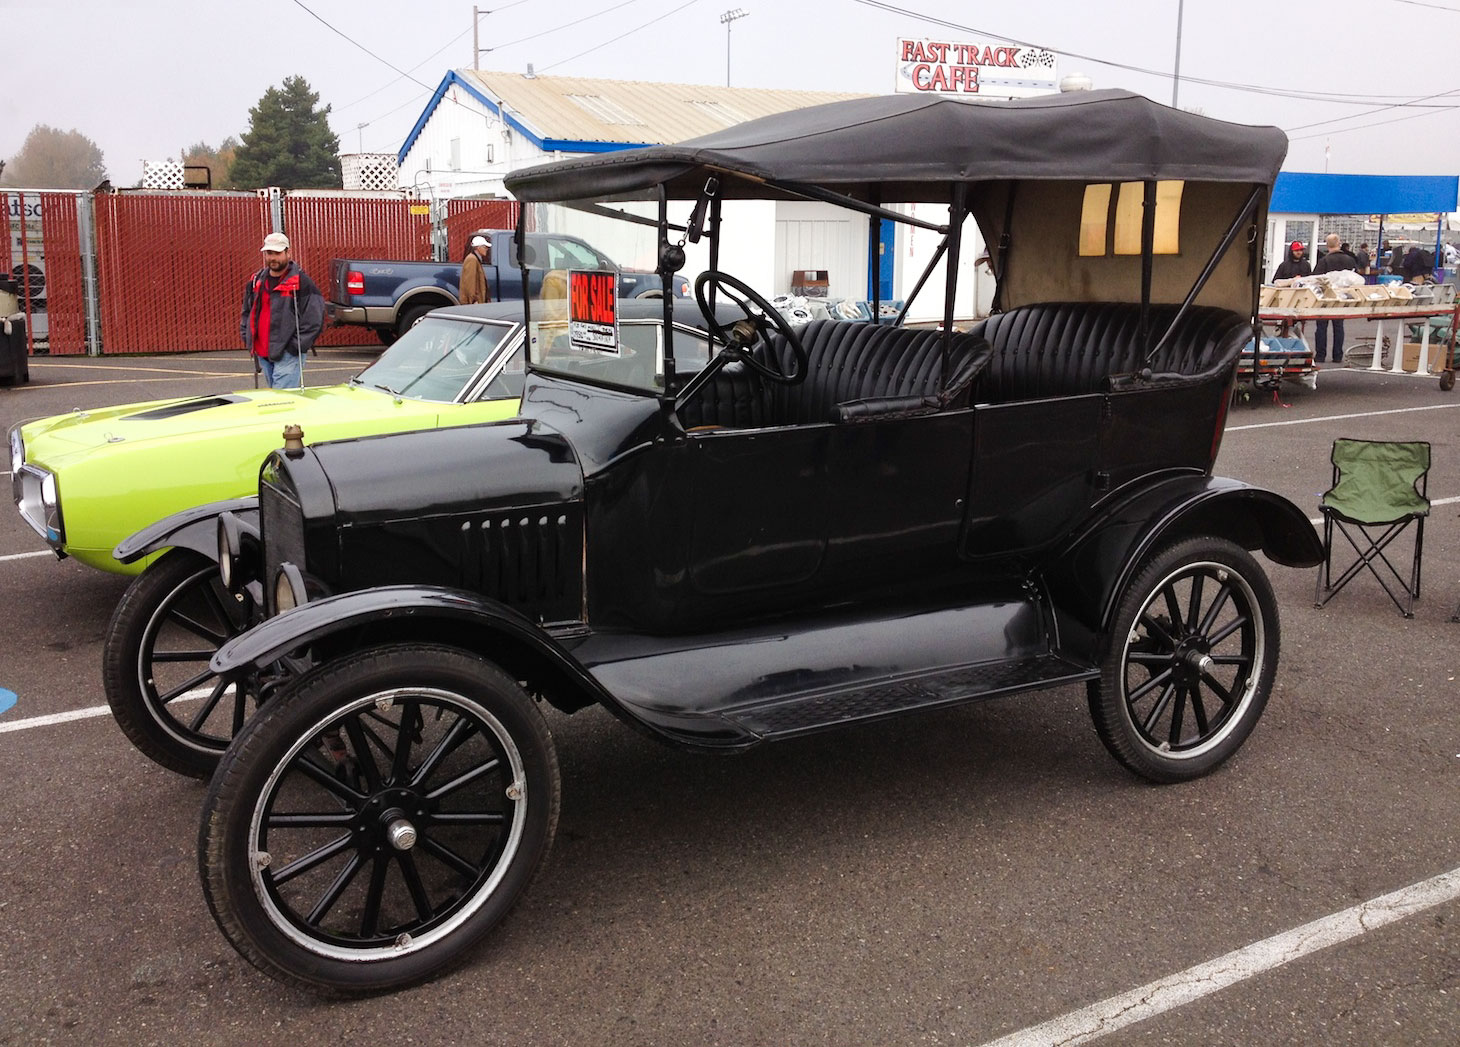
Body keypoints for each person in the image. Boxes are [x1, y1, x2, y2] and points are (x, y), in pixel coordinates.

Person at [239, 232, 323, 389]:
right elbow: (247, 312)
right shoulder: (256, 281)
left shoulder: (301, 282)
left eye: (277, 253)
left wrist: (295, 346)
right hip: (263, 352)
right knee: (276, 399)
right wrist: (247, 336)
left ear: (288, 252)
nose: (273, 258)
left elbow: (315, 319)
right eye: (269, 253)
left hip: (287, 354)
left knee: (283, 401)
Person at [1312, 233, 1356, 364]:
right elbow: (1355, 278)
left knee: (1321, 326)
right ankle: (1337, 356)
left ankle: (1320, 355)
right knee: (1339, 326)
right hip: (1342, 296)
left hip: (1326, 298)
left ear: (1327, 245)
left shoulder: (1324, 260)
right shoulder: (1349, 260)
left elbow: (1316, 279)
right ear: (1339, 243)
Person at [460, 234, 492, 305]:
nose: (486, 249)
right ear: (478, 247)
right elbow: (470, 282)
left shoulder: (475, 259)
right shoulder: (472, 259)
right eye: (484, 247)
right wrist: (474, 300)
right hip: (474, 303)